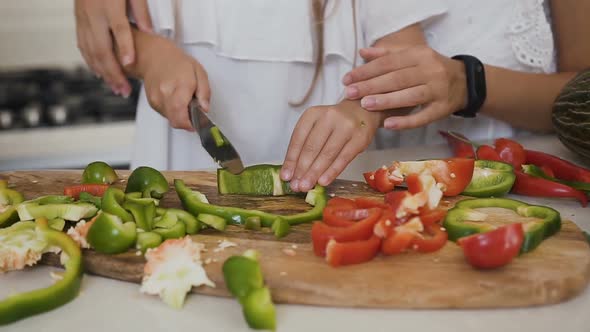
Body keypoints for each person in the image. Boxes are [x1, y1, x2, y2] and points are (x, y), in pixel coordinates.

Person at [74, 0, 446, 192]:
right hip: (172, 180)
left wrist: (360, 110)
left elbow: (405, 62)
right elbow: (103, 34)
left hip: (331, 191)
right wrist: (152, 58)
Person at [341, 0, 590, 148]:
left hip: (535, 173)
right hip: (412, 179)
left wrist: (467, 82)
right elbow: (396, 67)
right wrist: (356, 109)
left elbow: (582, 98)